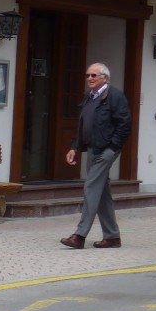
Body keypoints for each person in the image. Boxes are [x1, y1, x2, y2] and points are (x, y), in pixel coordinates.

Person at [60, 63, 132, 249]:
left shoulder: (115, 96)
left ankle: (79, 235)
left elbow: (124, 125)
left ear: (105, 78)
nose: (90, 78)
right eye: (88, 75)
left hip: (106, 150)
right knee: (101, 192)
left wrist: (112, 148)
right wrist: (74, 147)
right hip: (93, 149)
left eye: (94, 75)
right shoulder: (89, 97)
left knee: (91, 186)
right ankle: (112, 237)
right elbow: (82, 124)